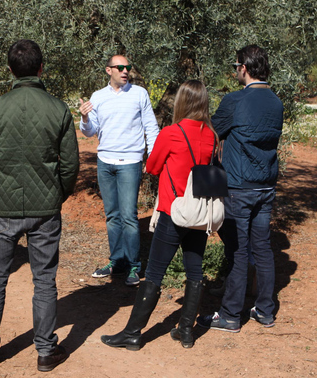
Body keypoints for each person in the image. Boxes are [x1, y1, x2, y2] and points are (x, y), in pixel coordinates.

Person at [0, 40, 79, 372]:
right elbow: (70, 165)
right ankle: (46, 350)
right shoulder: (58, 109)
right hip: (45, 208)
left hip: (1, 208)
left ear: (10, 71)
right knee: (44, 279)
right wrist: (57, 195)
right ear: (41, 68)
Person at [100, 80, 216, 351]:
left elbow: (152, 167)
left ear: (182, 102)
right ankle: (186, 331)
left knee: (154, 273)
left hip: (173, 211)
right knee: (195, 271)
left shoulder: (171, 132)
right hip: (199, 213)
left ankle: (132, 333)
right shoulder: (211, 134)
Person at [197, 45, 283, 333]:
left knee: (238, 250)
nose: (235, 71)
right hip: (266, 185)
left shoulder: (235, 101)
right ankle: (265, 311)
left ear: (244, 68)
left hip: (238, 185)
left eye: (236, 66)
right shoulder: (276, 102)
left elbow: (210, 133)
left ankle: (232, 314)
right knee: (263, 248)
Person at [79, 55, 159, 286]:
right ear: (108, 70)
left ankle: (134, 265)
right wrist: (84, 117)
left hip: (130, 162)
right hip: (105, 162)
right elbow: (89, 131)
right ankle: (117, 261)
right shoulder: (98, 97)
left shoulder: (139, 94)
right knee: (112, 216)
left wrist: (151, 157)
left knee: (129, 217)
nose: (125, 71)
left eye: (128, 67)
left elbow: (151, 128)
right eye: (120, 67)